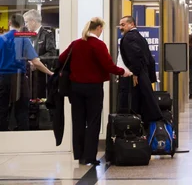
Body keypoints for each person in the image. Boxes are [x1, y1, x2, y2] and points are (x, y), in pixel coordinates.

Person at [58, 17, 131, 166]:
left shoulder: (76, 44)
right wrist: (124, 72)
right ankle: (90, 156)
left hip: (75, 88)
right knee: (93, 121)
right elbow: (108, 65)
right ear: (98, 28)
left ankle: (79, 155)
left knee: (78, 121)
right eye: (101, 29)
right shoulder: (98, 45)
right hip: (93, 88)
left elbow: (61, 58)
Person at [0, 15, 53, 131]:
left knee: (2, 111)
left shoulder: (1, 39)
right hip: (19, 80)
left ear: (9, 23)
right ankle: (22, 142)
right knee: (22, 112)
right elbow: (36, 62)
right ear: (23, 24)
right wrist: (50, 73)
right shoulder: (23, 39)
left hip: (2, 79)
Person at [118, 16, 163, 125]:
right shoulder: (140, 37)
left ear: (132, 24)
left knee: (133, 106)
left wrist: (135, 73)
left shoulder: (128, 37)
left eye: (123, 25)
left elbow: (136, 56)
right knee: (145, 104)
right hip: (143, 75)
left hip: (136, 76)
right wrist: (150, 78)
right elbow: (150, 59)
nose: (120, 27)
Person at [24, 9, 58, 98]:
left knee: (40, 100)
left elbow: (52, 53)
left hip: (42, 76)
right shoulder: (27, 35)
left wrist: (39, 59)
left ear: (33, 21)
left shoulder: (47, 34)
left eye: (27, 22)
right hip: (29, 76)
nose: (25, 25)